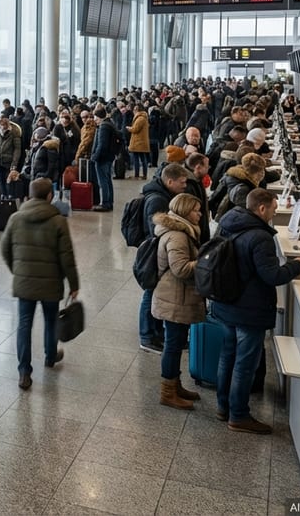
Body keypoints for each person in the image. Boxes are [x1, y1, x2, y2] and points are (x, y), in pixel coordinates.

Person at [213, 189, 300, 434]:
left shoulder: (228, 223)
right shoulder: (260, 237)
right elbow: (272, 275)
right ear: (262, 208)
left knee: (227, 356)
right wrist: (298, 265)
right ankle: (239, 415)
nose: (276, 212)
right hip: (249, 308)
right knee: (245, 364)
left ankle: (223, 407)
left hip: (226, 302)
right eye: (274, 208)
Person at [0, 178, 79, 390]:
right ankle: (50, 356)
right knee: (51, 320)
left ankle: (24, 372)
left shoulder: (15, 218)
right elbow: (67, 256)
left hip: (24, 281)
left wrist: (17, 270)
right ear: (49, 196)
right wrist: (74, 283)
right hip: (51, 283)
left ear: (29, 195)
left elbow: (4, 249)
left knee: (24, 324)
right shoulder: (58, 221)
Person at [150, 193, 206, 410]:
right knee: (173, 345)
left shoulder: (183, 231)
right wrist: (205, 260)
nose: (199, 214)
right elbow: (180, 269)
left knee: (176, 341)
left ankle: (175, 384)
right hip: (173, 297)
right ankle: (167, 391)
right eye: (195, 210)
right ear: (183, 211)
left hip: (177, 295)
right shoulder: (178, 236)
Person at [137, 163, 191, 353]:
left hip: (159, 250)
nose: (185, 185)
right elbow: (156, 230)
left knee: (155, 293)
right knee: (150, 293)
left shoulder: (164, 194)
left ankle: (156, 332)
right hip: (154, 253)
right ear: (170, 181)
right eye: (182, 182)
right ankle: (147, 336)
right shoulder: (158, 200)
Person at [213, 153, 266, 222]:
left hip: (226, 218)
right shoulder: (243, 188)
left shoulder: (237, 176)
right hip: (232, 222)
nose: (262, 174)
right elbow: (248, 211)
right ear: (254, 172)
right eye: (261, 171)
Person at [90, 107, 118, 212]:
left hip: (102, 158)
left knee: (103, 181)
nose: (94, 119)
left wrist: (95, 157)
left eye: (95, 117)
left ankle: (105, 203)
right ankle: (109, 202)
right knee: (107, 180)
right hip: (109, 157)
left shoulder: (103, 127)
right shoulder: (110, 124)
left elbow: (102, 145)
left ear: (99, 116)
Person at [0, 116, 18, 199]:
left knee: (9, 183)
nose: (3, 126)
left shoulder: (14, 132)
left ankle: (9, 200)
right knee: (0, 183)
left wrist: (14, 163)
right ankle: (3, 200)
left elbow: (17, 149)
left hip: (9, 162)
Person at [126, 104, 151, 180]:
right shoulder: (143, 117)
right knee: (143, 159)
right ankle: (144, 174)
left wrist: (128, 128)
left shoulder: (140, 118)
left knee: (137, 159)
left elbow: (135, 129)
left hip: (138, 142)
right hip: (141, 142)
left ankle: (137, 175)